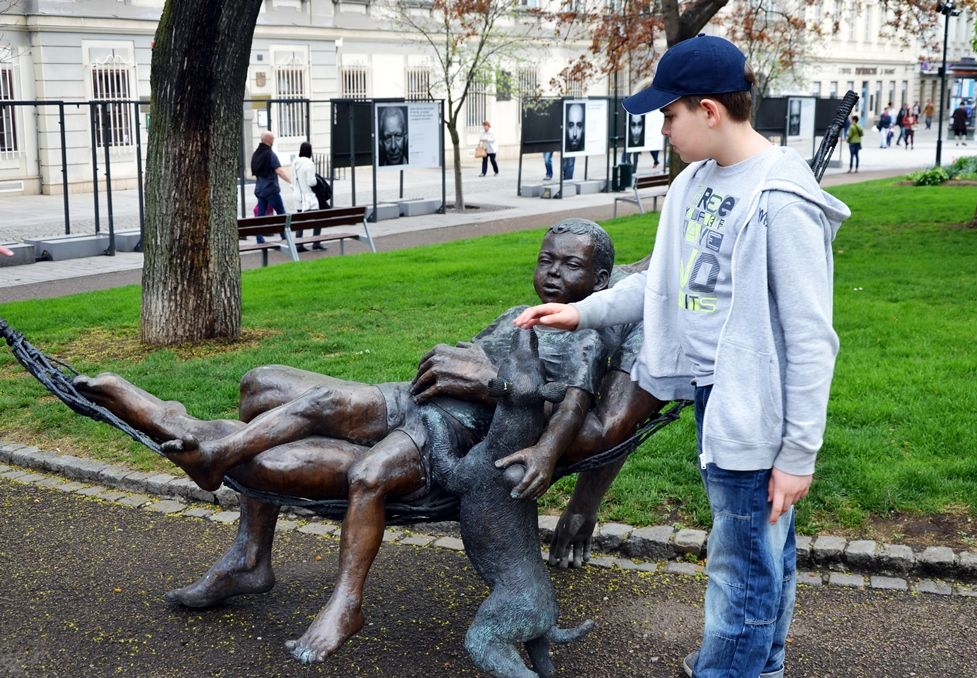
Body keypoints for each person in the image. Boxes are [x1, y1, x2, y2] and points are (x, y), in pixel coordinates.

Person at [73, 219, 638, 665]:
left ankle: (212, 454)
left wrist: (520, 419)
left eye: (570, 265)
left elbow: (570, 410)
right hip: (414, 400)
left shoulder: (586, 338)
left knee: (331, 452)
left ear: (601, 282)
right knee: (263, 384)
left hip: (449, 430)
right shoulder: (519, 314)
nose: (553, 273)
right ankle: (248, 550)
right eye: (546, 260)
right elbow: (470, 355)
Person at [514, 34, 850, 678]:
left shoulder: (782, 201)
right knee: (763, 552)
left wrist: (797, 456)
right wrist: (582, 311)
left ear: (709, 110)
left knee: (741, 566)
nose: (663, 129)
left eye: (669, 115)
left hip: (756, 408)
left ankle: (727, 669)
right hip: (712, 395)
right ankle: (762, 667)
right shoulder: (694, 183)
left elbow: (812, 340)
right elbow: (661, 284)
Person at [251, 130, 291, 243]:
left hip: (260, 189)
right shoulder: (270, 154)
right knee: (281, 213)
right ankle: (285, 237)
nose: (273, 140)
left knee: (261, 215)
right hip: (271, 190)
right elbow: (279, 171)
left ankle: (259, 238)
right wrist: (290, 181)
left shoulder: (256, 154)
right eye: (272, 138)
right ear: (269, 140)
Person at [290, 141, 324, 252]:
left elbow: (293, 182)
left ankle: (299, 244)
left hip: (298, 197)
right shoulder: (309, 163)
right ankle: (316, 242)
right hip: (309, 197)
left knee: (300, 221)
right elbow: (311, 182)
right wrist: (318, 181)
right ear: (310, 151)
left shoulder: (294, 163)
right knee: (318, 219)